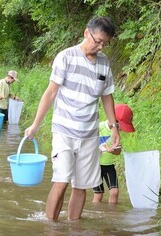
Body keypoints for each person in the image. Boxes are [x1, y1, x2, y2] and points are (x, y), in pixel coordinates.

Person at [24, 16, 120, 221]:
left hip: (89, 134)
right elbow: (50, 93)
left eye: (105, 43)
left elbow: (107, 96)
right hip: (64, 131)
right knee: (61, 182)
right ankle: (51, 228)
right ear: (87, 33)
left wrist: (114, 126)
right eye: (97, 41)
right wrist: (35, 125)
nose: (100, 47)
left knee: (81, 185)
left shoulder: (104, 63)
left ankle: (74, 229)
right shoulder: (66, 57)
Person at [93, 104, 135, 204]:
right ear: (115, 121)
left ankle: (112, 213)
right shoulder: (98, 127)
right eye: (122, 126)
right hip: (95, 166)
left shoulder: (116, 134)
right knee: (98, 194)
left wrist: (114, 150)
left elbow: (118, 151)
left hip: (109, 166)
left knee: (115, 192)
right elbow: (88, 145)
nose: (122, 130)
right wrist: (95, 151)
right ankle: (97, 214)